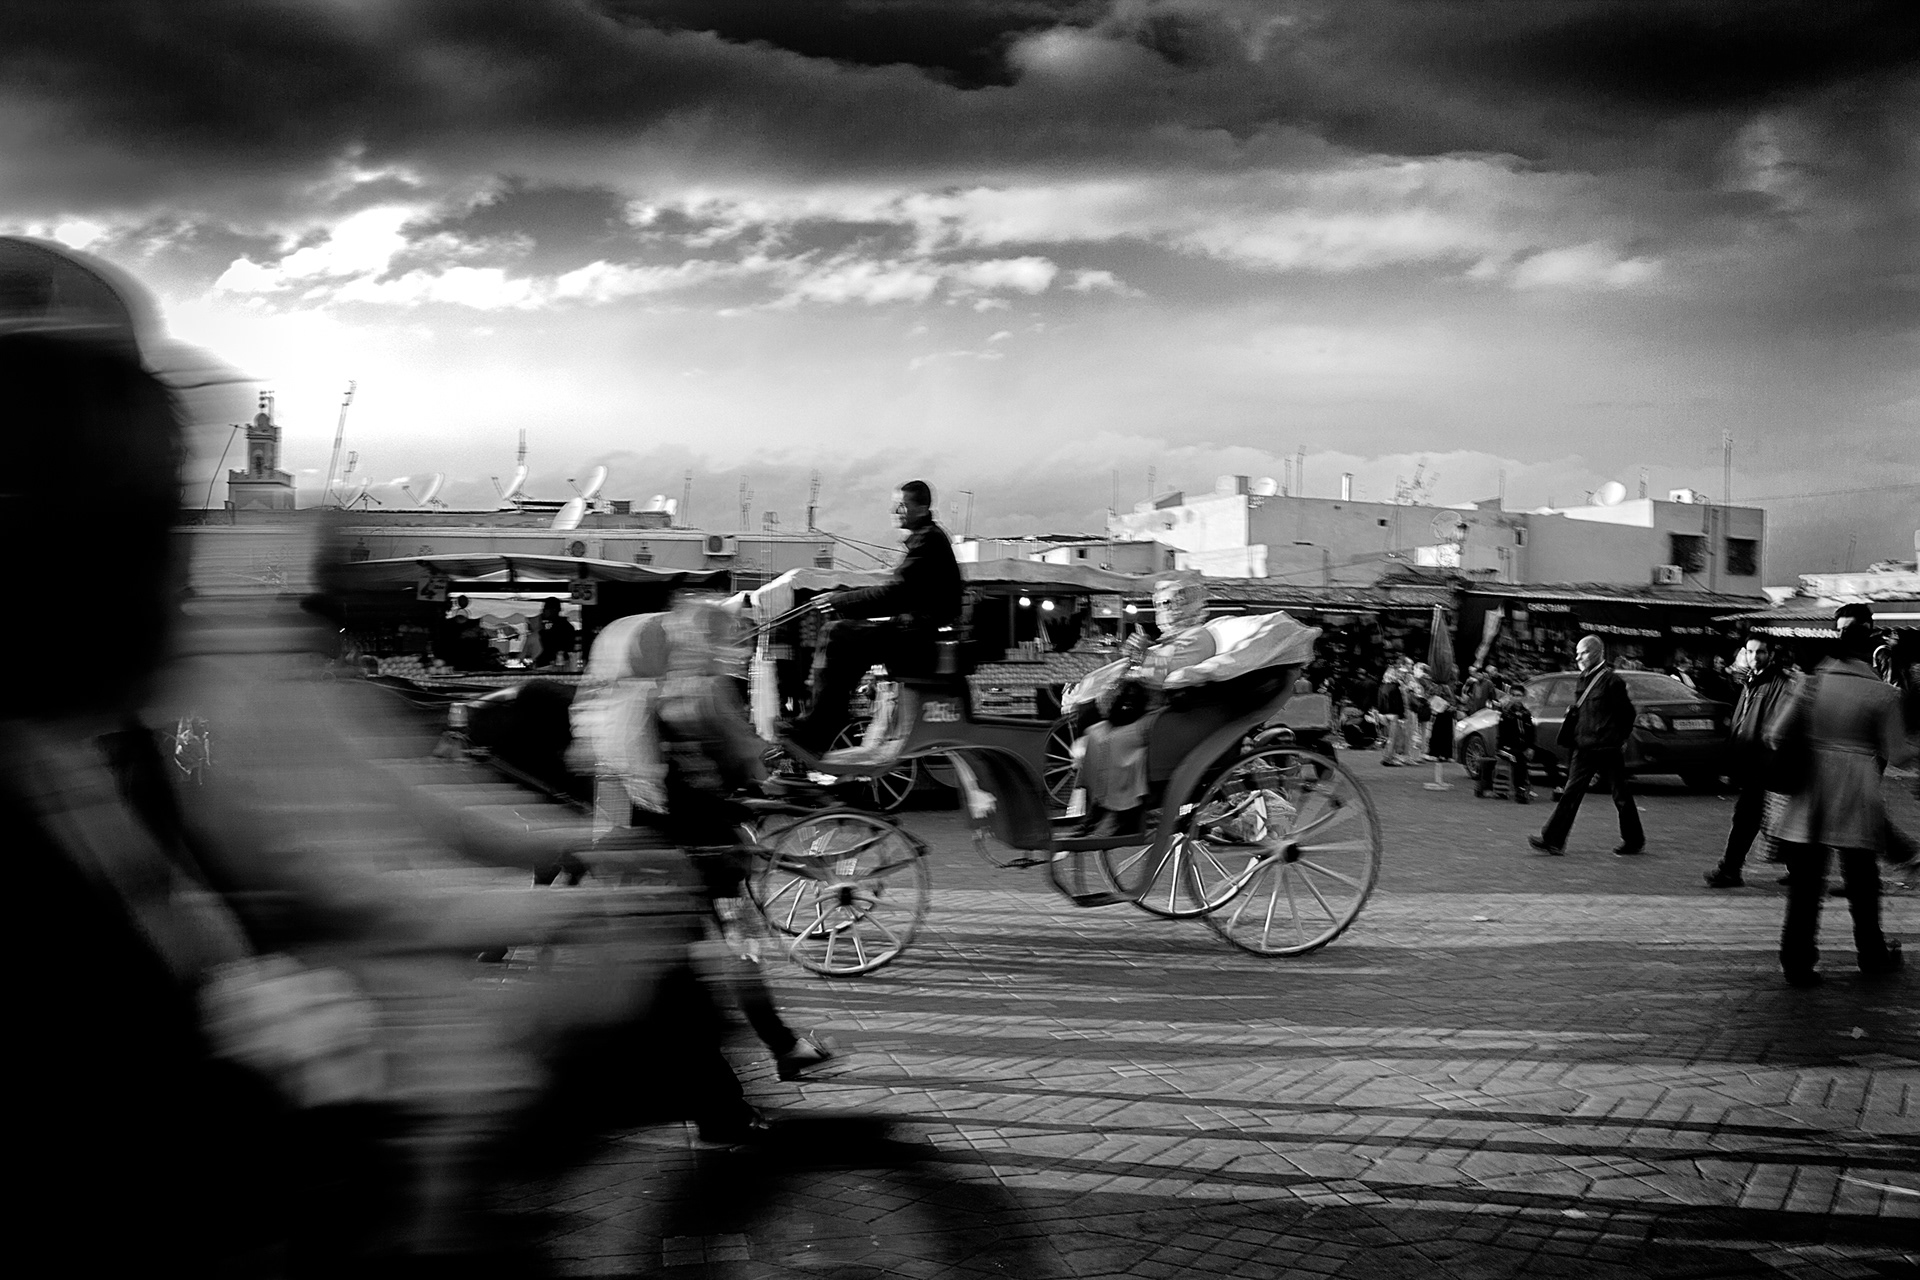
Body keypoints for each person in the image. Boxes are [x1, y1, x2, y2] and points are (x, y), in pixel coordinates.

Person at [1766, 604, 1913, 986]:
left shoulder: (1811, 683)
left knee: (1805, 884)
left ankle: (1796, 962)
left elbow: (1776, 735)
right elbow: (1899, 753)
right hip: (1856, 793)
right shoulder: (1883, 694)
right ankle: (1872, 955)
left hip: (1809, 794)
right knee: (1862, 880)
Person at [786, 480, 963, 754]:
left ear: (922, 508)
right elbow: (896, 592)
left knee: (836, 633)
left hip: (916, 639)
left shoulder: (928, 541)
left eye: (902, 505)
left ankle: (820, 725)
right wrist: (844, 597)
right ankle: (827, 718)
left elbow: (895, 595)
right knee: (846, 637)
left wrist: (840, 601)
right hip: (913, 633)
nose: (895, 511)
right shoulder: (928, 539)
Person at [1072, 578, 1215, 836]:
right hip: (1150, 708)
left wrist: (1142, 657)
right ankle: (1098, 807)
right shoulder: (1170, 639)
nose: (1163, 610)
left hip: (1173, 711)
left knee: (1118, 740)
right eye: (1159, 604)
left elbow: (1169, 675)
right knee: (1094, 734)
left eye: (1169, 603)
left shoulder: (1198, 637)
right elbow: (1150, 668)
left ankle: (1123, 812)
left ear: (1187, 604)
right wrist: (1139, 657)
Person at [1529, 634, 1644, 856]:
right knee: (1571, 793)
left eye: (1584, 652)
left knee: (1620, 794)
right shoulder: (1583, 678)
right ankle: (1552, 840)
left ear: (1598, 653)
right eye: (1577, 653)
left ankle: (1634, 840)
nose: (1578, 657)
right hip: (1584, 746)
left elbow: (1627, 714)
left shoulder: (1612, 681)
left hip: (1607, 747)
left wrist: (1618, 739)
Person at [1704, 638, 1795, 888]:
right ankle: (1797, 869)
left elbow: (1779, 727)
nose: (1755, 656)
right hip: (1752, 764)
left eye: (1761, 652)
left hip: (1765, 765)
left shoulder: (1778, 683)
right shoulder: (1750, 681)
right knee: (1764, 819)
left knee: (1747, 819)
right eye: (1751, 651)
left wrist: (1769, 760)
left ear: (1771, 654)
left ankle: (1730, 869)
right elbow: (1741, 723)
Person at [1475, 681, 1535, 799]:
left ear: (1523, 697)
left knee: (1549, 757)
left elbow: (1531, 733)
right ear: (1510, 696)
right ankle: (1520, 788)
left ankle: (1558, 787)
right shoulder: (1506, 714)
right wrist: (1515, 747)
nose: (1516, 698)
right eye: (1514, 695)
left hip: (1523, 747)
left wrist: (1530, 747)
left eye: (1519, 696)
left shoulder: (1526, 714)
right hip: (1506, 748)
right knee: (1517, 757)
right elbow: (1504, 737)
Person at [530, 597, 578, 669]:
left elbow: (548, 648)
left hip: (551, 665)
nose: (543, 611)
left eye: (545, 609)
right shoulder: (565, 626)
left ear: (553, 610)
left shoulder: (556, 628)